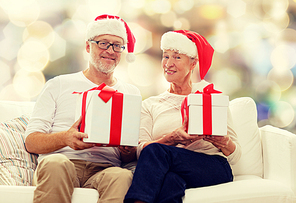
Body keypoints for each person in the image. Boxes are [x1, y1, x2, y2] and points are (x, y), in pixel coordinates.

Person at [25, 14, 140, 203]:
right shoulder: (59, 84)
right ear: (88, 46)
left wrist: (127, 149)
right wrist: (65, 138)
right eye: (103, 43)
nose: (110, 50)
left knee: (122, 176)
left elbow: (129, 157)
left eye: (117, 45)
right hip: (63, 163)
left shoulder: (131, 92)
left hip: (104, 169)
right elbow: (31, 142)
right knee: (55, 163)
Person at [124, 30, 242, 203]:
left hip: (212, 167)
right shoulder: (150, 105)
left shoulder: (209, 97)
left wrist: (223, 142)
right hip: (171, 168)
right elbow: (141, 151)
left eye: (177, 57)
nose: (168, 63)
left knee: (156, 152)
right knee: (171, 180)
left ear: (193, 63)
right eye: (166, 56)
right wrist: (171, 139)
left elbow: (236, 155)